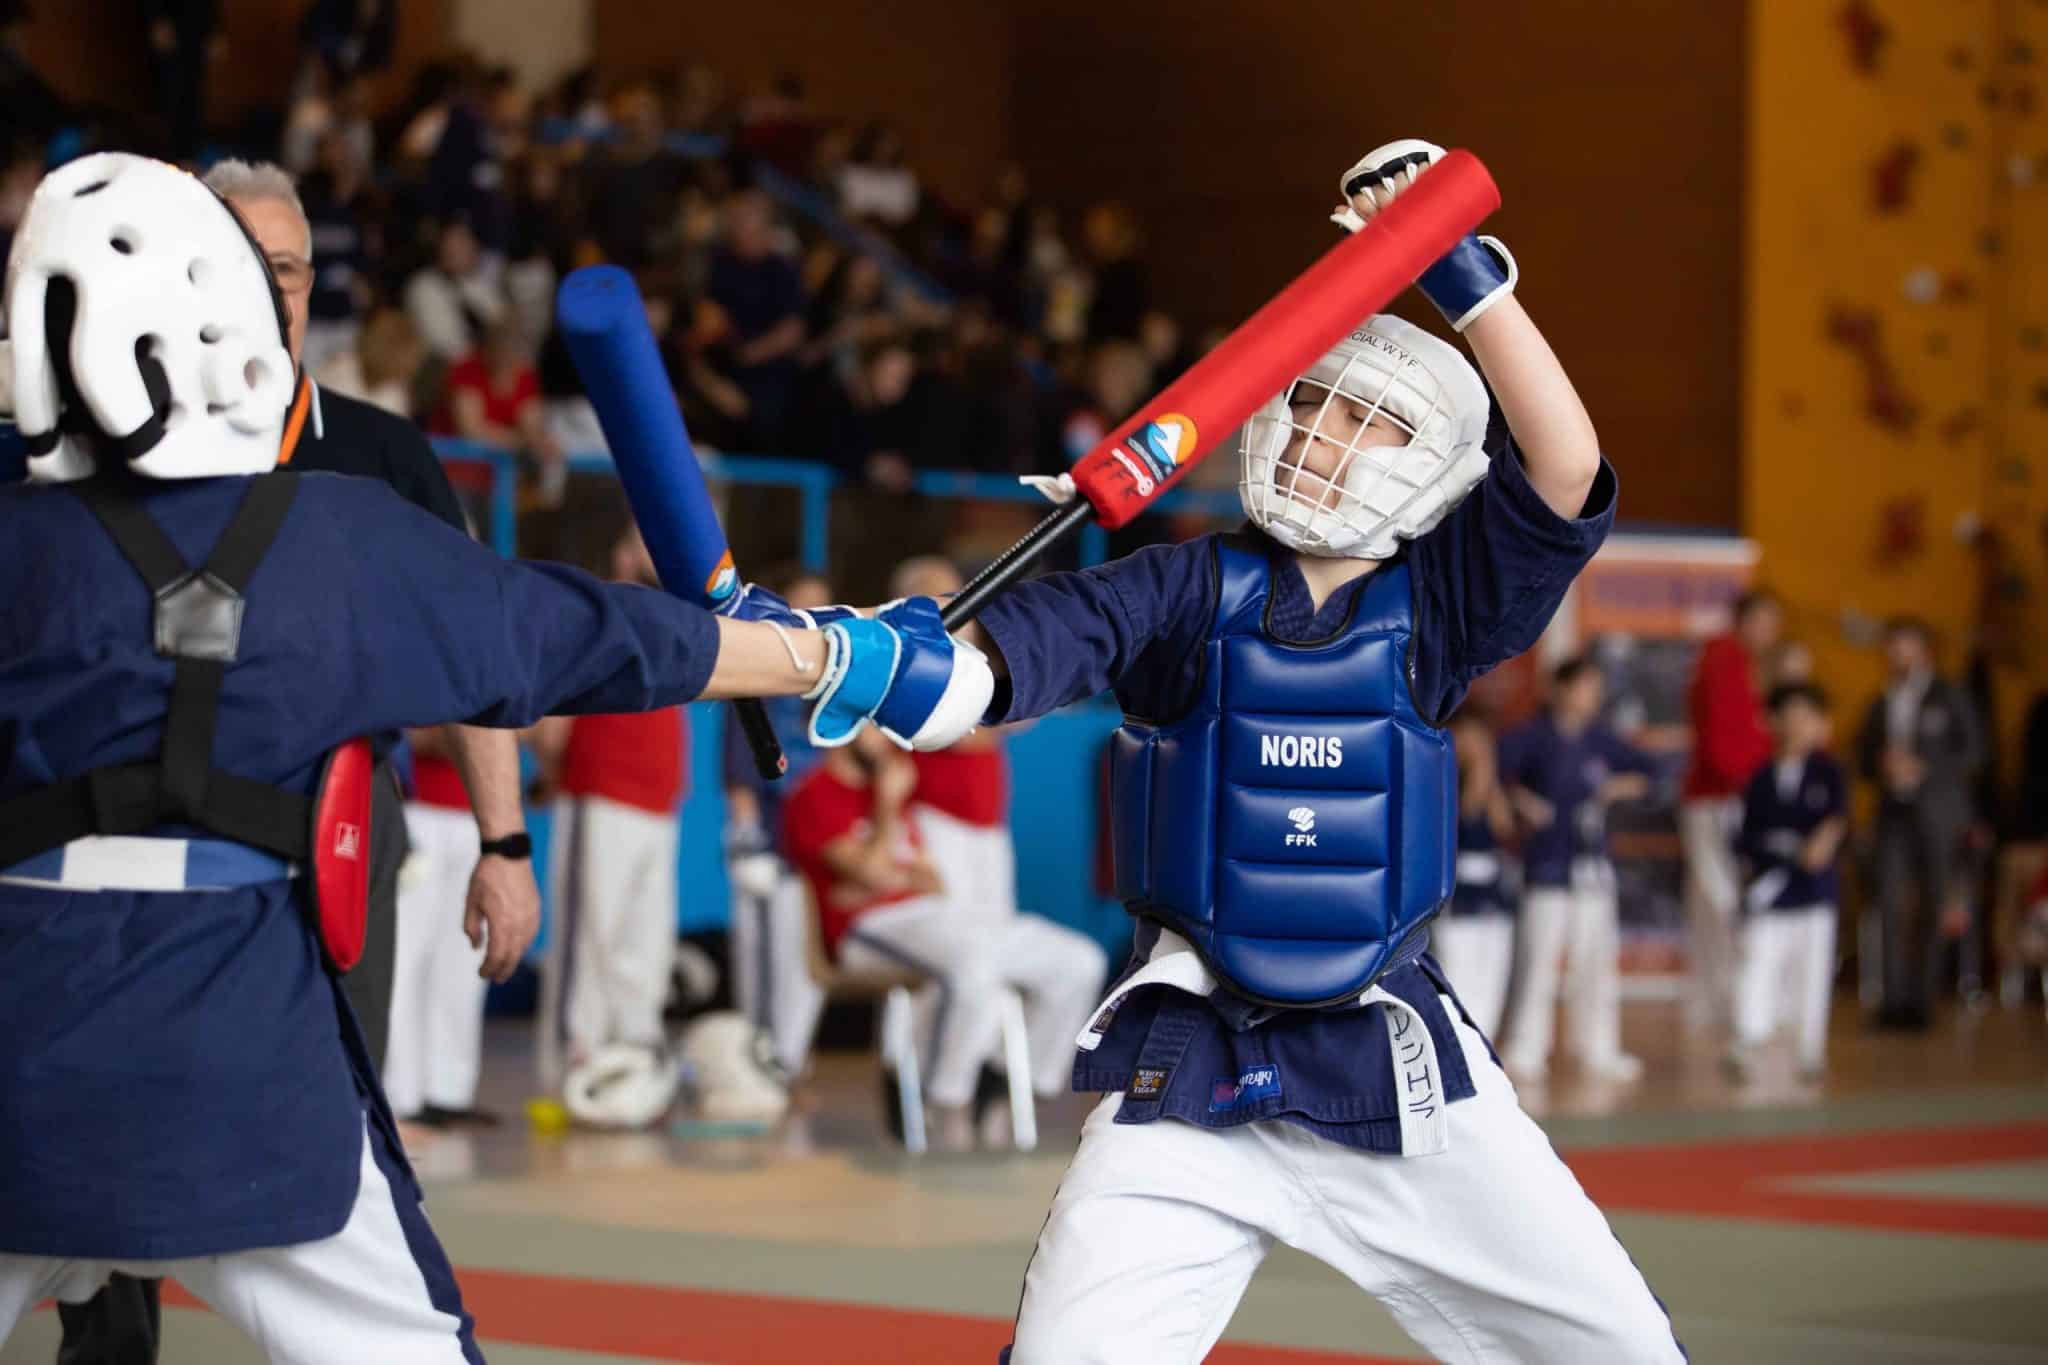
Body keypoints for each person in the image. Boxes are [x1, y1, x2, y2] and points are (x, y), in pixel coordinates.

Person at [0, 151, 989, 1361]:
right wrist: (835, 656)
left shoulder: (19, 543)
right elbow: (584, 637)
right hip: (249, 1077)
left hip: (22, 1058)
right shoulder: (337, 537)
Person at [974, 140, 1681, 1361]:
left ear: (1429, 467)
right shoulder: (1186, 584)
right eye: (1310, 401)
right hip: (1191, 1071)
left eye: (1366, 419)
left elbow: (1563, 466)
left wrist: (1459, 276)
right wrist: (892, 664)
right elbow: (1018, 650)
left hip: (1393, 1067)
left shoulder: (1443, 604)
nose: (1319, 432)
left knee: (1621, 1352)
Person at [783, 727, 1106, 1152]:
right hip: (872, 929)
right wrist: (886, 818)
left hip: (934, 917)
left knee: (1080, 961)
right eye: (872, 725)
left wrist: (884, 873)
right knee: (974, 964)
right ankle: (945, 1102)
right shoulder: (816, 793)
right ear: (841, 727)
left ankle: (1007, 1082)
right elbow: (874, 874)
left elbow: (930, 882)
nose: (886, 736)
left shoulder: (895, 790)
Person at [526, 523, 690, 1118]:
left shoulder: (675, 616)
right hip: (600, 794)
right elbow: (552, 702)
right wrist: (553, 766)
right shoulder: (596, 611)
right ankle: (574, 1075)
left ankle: (632, 1073)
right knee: (590, 942)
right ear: (623, 554)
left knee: (645, 947)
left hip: (657, 804)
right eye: (648, 540)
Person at [1497, 656, 1659, 1085]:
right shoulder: (1532, 736)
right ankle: (1527, 1048)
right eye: (1585, 687)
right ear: (1561, 689)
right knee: (1539, 961)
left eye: (1596, 689)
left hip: (1592, 867)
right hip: (1547, 865)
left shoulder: (1600, 739)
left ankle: (1597, 1048)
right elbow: (1496, 771)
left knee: (1596, 963)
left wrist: (1620, 787)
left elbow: (1650, 771)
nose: (1592, 697)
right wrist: (1521, 801)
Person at [726, 567, 834, 1076]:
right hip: (769, 844)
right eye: (799, 609)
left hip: (815, 849)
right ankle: (760, 1064)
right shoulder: (756, 679)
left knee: (804, 965)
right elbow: (739, 769)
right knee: (763, 961)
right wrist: (746, 839)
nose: (809, 621)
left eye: (819, 609)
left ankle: (788, 1062)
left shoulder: (833, 684)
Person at [1854, 616, 1984, 1029]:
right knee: (1889, 901)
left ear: (1924, 649)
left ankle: (1922, 1000)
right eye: (1892, 644)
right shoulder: (1881, 699)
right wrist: (1882, 764)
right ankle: (1892, 1001)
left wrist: (1925, 767)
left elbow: (1975, 752)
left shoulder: (1949, 695)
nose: (1897, 652)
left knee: (1933, 903)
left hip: (1938, 815)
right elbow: (1861, 756)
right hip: (1893, 815)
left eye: (1905, 644)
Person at [1729, 684, 1848, 1081]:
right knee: (1757, 962)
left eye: (1806, 717)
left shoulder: (1828, 773)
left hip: (1813, 892)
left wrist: (1823, 842)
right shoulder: (1761, 777)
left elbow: (1837, 820)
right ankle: (1749, 1039)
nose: (1798, 725)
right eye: (1790, 716)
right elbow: (1744, 837)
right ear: (1775, 722)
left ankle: (1808, 1049)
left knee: (1811, 973)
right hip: (1771, 890)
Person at [1677, 589, 1780, 1041]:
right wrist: (1749, 782)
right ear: (1744, 620)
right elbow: (1721, 735)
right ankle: (1726, 1000)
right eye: (1763, 621)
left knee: (1717, 899)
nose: (1769, 632)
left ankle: (1720, 1000)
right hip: (1719, 795)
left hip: (1731, 791)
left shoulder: (1745, 663)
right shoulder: (1723, 658)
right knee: (1721, 898)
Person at [1431, 709, 1517, 1038]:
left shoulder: (1492, 783)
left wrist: (1489, 774)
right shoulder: (1441, 776)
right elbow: (1463, 818)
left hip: (1491, 892)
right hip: (1457, 894)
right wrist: (1479, 771)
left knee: (1492, 972)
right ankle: (1459, 1042)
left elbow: (1503, 826)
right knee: (1458, 969)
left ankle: (1484, 1041)